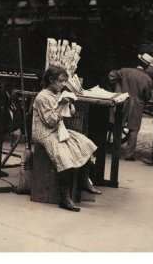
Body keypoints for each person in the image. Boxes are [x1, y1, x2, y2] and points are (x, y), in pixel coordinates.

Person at [32, 66, 102, 212]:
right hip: (45, 133)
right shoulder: (42, 97)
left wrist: (69, 103)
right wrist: (61, 104)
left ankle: (84, 180)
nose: (63, 84)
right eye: (60, 81)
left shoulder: (57, 93)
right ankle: (65, 198)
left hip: (58, 130)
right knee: (64, 157)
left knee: (85, 143)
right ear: (51, 80)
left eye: (65, 81)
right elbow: (49, 121)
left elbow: (69, 113)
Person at [108, 60, 153, 161]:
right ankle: (129, 155)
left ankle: (115, 151)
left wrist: (117, 86)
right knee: (134, 130)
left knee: (118, 126)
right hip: (137, 105)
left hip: (123, 101)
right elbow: (147, 95)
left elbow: (111, 75)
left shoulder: (125, 71)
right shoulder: (147, 79)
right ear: (146, 67)